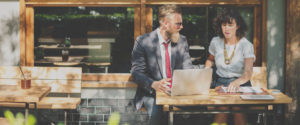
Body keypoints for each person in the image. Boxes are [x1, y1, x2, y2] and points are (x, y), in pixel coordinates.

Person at [131, 4, 194, 125]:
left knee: (200, 110)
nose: (182, 27)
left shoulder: (182, 41)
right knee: (157, 115)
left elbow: (188, 69)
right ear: (165, 23)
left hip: (177, 92)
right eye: (178, 23)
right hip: (153, 93)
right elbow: (136, 72)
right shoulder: (143, 41)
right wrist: (154, 84)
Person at [205, 7, 256, 125]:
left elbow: (248, 73)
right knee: (222, 107)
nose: (226, 28)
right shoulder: (215, 42)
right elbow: (210, 60)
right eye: (224, 25)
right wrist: (206, 72)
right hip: (220, 83)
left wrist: (236, 83)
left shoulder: (246, 45)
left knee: (237, 108)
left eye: (230, 24)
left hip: (241, 84)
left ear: (237, 26)